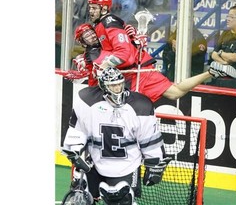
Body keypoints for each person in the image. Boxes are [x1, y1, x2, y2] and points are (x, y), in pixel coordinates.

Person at [77, 0, 236, 103]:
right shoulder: (101, 25)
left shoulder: (108, 22)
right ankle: (210, 72)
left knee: (134, 108)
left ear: (104, 8)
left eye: (94, 8)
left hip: (138, 71)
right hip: (132, 72)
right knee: (175, 93)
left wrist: (104, 65)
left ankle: (210, 72)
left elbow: (123, 52)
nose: (91, 11)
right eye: (90, 7)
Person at [63, 66, 171, 204]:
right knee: (79, 199)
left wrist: (154, 164)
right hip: (95, 163)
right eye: (113, 85)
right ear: (103, 86)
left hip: (126, 167)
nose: (117, 88)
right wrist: (76, 151)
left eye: (119, 84)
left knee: (122, 201)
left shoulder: (140, 105)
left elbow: (150, 139)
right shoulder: (87, 101)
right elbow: (78, 131)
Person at [208, 5, 236, 89]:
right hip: (220, 78)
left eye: (232, 17)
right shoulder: (225, 33)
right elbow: (214, 54)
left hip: (235, 81)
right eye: (228, 16)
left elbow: (234, 57)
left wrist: (221, 53)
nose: (228, 19)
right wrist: (224, 64)